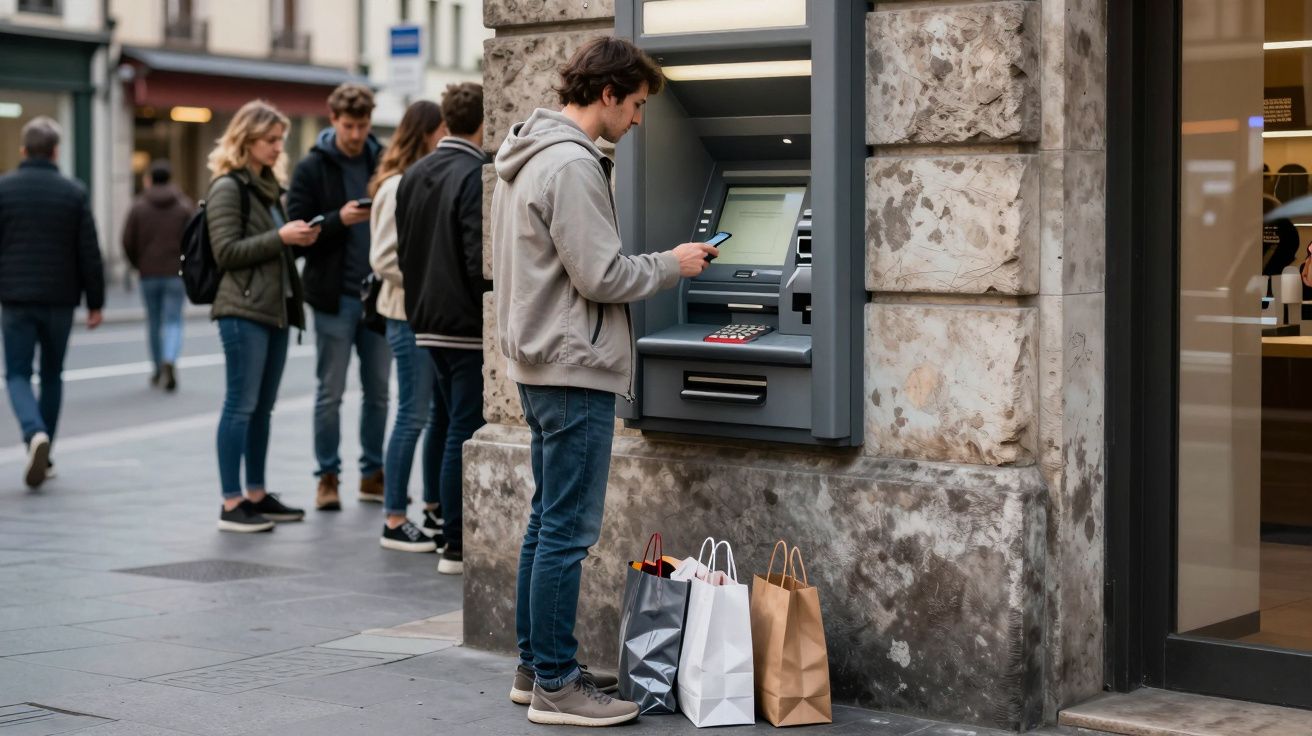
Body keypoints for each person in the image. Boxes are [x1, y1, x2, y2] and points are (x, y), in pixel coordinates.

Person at [491, 37, 717, 726]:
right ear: (608, 92)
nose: (640, 120)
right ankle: (558, 687)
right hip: (573, 367)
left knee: (546, 523)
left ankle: (536, 668)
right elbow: (602, 275)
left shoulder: (529, 154)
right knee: (567, 530)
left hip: (541, 362)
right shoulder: (571, 164)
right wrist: (674, 264)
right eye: (637, 104)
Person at [207, 100, 318, 533]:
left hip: (274, 309)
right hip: (242, 309)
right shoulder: (228, 187)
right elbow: (225, 252)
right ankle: (231, 502)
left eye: (280, 140)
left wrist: (295, 238)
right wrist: (280, 237)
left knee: (262, 408)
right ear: (246, 139)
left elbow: (270, 246)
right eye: (270, 140)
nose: (277, 148)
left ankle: (255, 494)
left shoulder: (268, 185)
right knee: (240, 404)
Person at [396, 83, 488, 576]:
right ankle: (455, 541)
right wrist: (487, 308)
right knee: (461, 429)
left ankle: (439, 520)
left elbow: (404, 249)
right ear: (483, 123)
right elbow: (476, 257)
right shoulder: (473, 173)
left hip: (425, 317)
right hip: (463, 323)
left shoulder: (414, 173)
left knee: (445, 420)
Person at [288, 82, 390, 512]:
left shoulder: (382, 159)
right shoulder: (311, 167)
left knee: (379, 392)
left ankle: (372, 474)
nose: (355, 134)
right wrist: (337, 220)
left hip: (378, 296)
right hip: (334, 297)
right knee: (330, 393)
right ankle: (327, 478)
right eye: (348, 126)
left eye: (362, 126)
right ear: (333, 120)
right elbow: (295, 232)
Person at [0, 116, 105, 489]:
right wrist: (95, 302)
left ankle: (34, 433)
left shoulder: (4, 189)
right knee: (52, 374)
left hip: (15, 297)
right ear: (56, 152)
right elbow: (88, 251)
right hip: (60, 298)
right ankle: (45, 455)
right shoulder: (72, 192)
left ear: (23, 149)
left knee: (16, 373)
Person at [367, 100, 448, 553]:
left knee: (433, 414)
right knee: (412, 415)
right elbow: (383, 258)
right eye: (442, 130)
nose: (446, 138)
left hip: (423, 313)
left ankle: (432, 506)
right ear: (425, 133)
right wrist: (430, 278)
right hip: (404, 313)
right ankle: (394, 517)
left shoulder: (421, 176)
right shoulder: (396, 184)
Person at [123, 159, 192, 392]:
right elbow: (193, 238)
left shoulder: (139, 206)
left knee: (154, 322)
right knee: (173, 320)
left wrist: (138, 263)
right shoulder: (183, 206)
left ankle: (157, 368)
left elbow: (127, 240)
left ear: (150, 179)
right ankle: (169, 359)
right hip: (175, 272)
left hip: (149, 273)